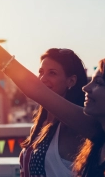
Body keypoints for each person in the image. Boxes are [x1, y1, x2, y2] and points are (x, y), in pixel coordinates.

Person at [0, 0, 105, 177]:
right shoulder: (99, 138)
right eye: (41, 72)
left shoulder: (86, 127)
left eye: (99, 83)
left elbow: (34, 88)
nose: (87, 88)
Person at [19, 48, 88, 177]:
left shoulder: (72, 127)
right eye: (41, 72)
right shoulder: (40, 125)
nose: (43, 79)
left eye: (52, 73)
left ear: (71, 81)